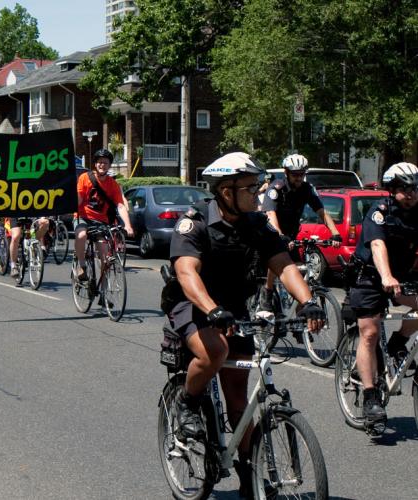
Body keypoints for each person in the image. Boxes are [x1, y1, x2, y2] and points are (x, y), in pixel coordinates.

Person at [163, 152, 325, 498]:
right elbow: (186, 273)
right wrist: (211, 309)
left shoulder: (256, 224)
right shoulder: (194, 223)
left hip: (234, 308)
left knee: (239, 398)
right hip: (192, 306)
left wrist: (307, 301)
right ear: (225, 191)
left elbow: (283, 264)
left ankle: (248, 474)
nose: (258, 193)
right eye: (251, 187)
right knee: (216, 351)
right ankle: (187, 403)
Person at [350, 162, 418, 427]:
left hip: (401, 277)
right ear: (391, 190)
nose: (410, 193)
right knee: (370, 332)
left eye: (414, 188)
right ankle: (369, 397)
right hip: (369, 275)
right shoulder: (379, 212)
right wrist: (386, 276)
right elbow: (377, 245)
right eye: (403, 188)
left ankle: (399, 341)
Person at [258, 154, 341, 311]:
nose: (298, 178)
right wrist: (280, 235)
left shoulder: (307, 189)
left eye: (302, 174)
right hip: (272, 230)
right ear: (286, 172)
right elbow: (270, 213)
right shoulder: (277, 188)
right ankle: (267, 291)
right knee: (275, 255)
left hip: (291, 232)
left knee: (300, 269)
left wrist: (335, 233)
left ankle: (300, 315)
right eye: (295, 174)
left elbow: (322, 212)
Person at [73, 149, 134, 282]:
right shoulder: (85, 178)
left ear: (109, 165)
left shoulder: (113, 184)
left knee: (105, 257)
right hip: (83, 216)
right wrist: (70, 203)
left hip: (101, 221)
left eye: (105, 163)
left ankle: (104, 291)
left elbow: (121, 205)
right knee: (81, 235)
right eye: (100, 162)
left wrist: (128, 226)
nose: (102, 165)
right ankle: (82, 266)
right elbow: (79, 198)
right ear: (95, 164)